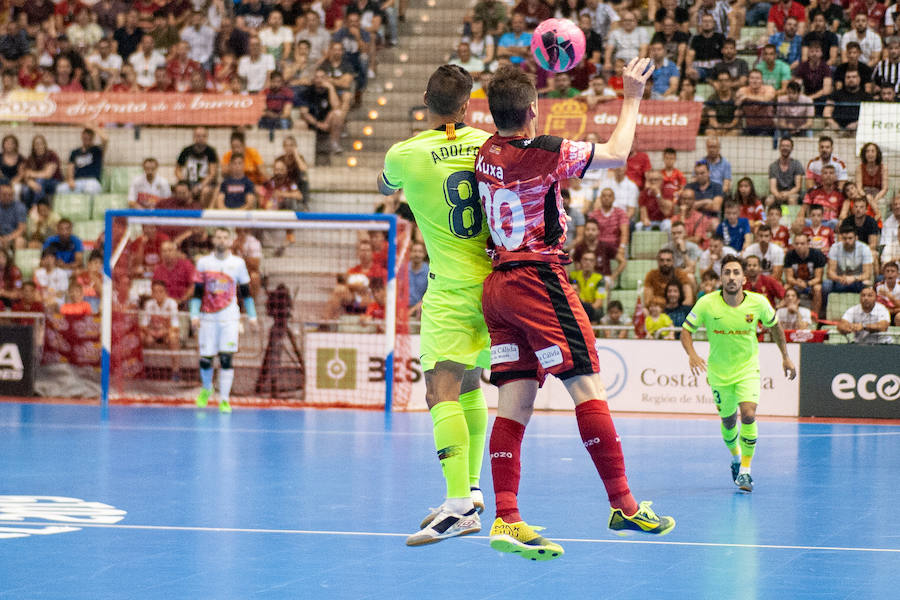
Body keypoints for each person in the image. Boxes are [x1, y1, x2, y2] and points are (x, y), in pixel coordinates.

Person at [474, 59, 675, 562]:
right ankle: (623, 504)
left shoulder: (484, 153)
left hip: (496, 286)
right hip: (538, 277)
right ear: (533, 111)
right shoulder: (541, 152)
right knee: (586, 384)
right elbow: (615, 153)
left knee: (514, 405)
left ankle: (506, 517)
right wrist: (630, 96)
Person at [378, 64, 492, 546]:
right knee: (469, 385)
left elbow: (385, 187)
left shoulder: (405, 153)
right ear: (468, 105)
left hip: (450, 291)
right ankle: (469, 489)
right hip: (497, 287)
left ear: (426, 100)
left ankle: (460, 508)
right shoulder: (491, 145)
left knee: (439, 393)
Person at [681, 255, 796, 493]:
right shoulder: (706, 303)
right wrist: (691, 353)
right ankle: (735, 458)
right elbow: (686, 331)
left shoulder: (759, 302)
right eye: (727, 272)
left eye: (736, 273)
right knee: (728, 420)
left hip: (747, 370)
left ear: (744, 278)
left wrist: (785, 357)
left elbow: (775, 327)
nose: (731, 277)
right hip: (719, 372)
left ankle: (745, 471)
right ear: (721, 278)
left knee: (749, 414)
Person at [192, 228, 257, 414]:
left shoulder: (238, 263)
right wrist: (194, 315)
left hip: (229, 319)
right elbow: (197, 293)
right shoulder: (204, 262)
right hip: (208, 319)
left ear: (230, 241)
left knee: (226, 358)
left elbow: (246, 293)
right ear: (213, 240)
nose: (221, 240)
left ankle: (224, 399)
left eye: (225, 237)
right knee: (206, 359)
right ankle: (206, 389)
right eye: (218, 237)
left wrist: (252, 317)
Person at [784, 232, 826, 317]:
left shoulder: (817, 254)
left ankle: (814, 317)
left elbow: (818, 278)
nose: (799, 246)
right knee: (785, 287)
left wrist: (806, 284)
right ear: (793, 245)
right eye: (797, 244)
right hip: (796, 283)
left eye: (802, 243)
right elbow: (789, 278)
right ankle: (787, 316)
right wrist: (797, 283)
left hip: (811, 284)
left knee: (818, 288)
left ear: (808, 244)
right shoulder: (789, 255)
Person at [57, 126, 108, 195]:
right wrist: (70, 180)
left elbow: (105, 139)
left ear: (92, 138)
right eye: (85, 137)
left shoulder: (97, 150)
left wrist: (94, 127)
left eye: (89, 138)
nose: (86, 139)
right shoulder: (75, 152)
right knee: (60, 189)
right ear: (82, 137)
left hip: (92, 181)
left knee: (89, 190)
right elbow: (70, 167)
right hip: (77, 182)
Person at [826, 223, 874, 295]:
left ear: (856, 238)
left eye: (850, 238)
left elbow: (867, 274)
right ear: (841, 238)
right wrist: (839, 278)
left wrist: (853, 278)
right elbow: (830, 273)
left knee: (867, 283)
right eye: (844, 238)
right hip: (840, 281)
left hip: (858, 281)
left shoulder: (864, 248)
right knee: (826, 284)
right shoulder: (835, 248)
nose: (847, 241)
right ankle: (823, 306)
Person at [175, 127, 219, 207]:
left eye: (203, 136)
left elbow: (212, 173)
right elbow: (177, 170)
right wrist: (184, 184)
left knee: (206, 191)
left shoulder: (211, 152)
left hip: (205, 184)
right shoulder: (186, 151)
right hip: (189, 182)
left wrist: (199, 186)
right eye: (198, 136)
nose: (201, 138)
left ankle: (202, 213)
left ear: (206, 137)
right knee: (181, 190)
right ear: (194, 137)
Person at [570, 250, 606, 323]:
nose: (588, 262)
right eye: (585, 259)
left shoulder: (600, 279)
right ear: (581, 261)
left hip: (591, 308)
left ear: (595, 263)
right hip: (576, 306)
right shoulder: (573, 276)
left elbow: (598, 302)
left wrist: (586, 310)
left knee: (597, 312)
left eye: (591, 260)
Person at [768, 137, 805, 205]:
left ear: (791, 148)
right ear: (779, 148)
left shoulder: (797, 164)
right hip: (778, 193)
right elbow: (772, 188)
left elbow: (798, 187)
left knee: (791, 199)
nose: (785, 148)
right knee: (769, 200)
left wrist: (788, 194)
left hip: (792, 193)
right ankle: (766, 216)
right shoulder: (773, 166)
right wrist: (778, 195)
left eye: (787, 146)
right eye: (783, 146)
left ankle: (788, 215)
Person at [0, 182, 26, 251]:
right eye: (4, 195)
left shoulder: (20, 207)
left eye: (10, 195)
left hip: (14, 237)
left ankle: (17, 262)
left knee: (20, 241)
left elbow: (21, 229)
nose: (7, 197)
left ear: (13, 195)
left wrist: (8, 238)